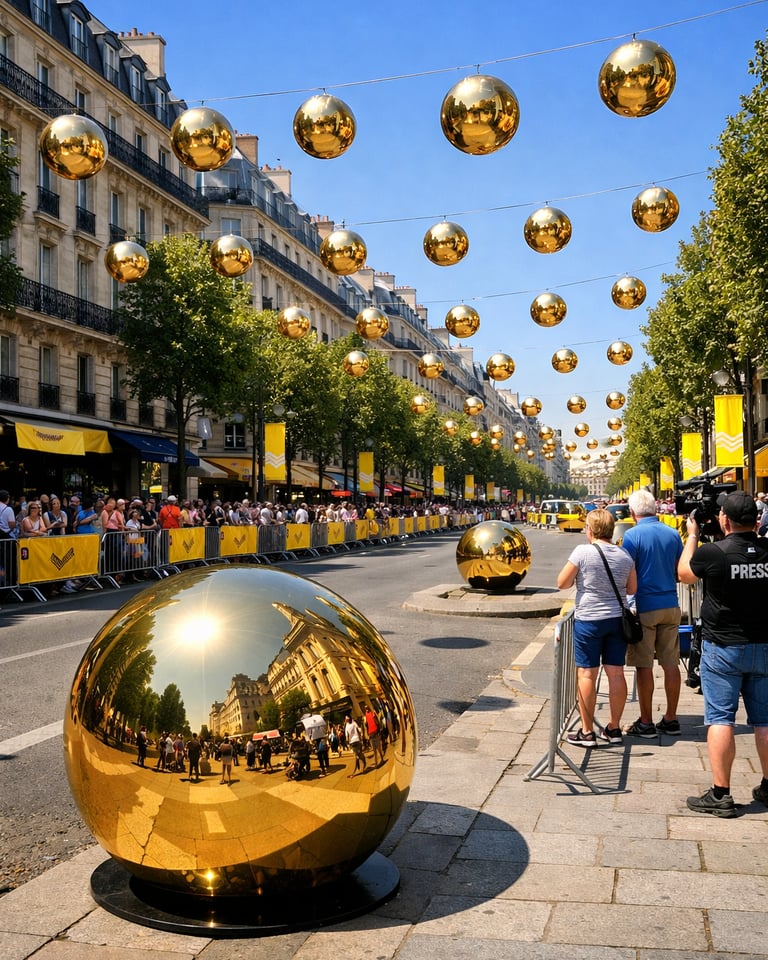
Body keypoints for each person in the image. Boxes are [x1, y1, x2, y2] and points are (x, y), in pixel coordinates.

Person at [678, 490, 768, 817]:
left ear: (724, 520)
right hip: (764, 647)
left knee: (721, 719)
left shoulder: (713, 553)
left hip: (723, 648)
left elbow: (684, 573)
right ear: (757, 521)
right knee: (765, 721)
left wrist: (691, 536)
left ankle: (721, 794)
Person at [557, 508, 637, 746]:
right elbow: (632, 589)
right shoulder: (624, 555)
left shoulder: (583, 551)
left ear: (591, 530)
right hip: (616, 620)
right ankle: (613, 728)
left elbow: (562, 582)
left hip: (589, 619)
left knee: (587, 674)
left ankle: (587, 731)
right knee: (616, 673)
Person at [621, 489, 684, 738]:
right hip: (671, 604)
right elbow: (680, 571)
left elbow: (628, 572)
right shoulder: (673, 534)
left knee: (643, 665)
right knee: (671, 662)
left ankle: (646, 722)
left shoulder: (632, 536)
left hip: (645, 607)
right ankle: (671, 718)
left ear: (632, 512)